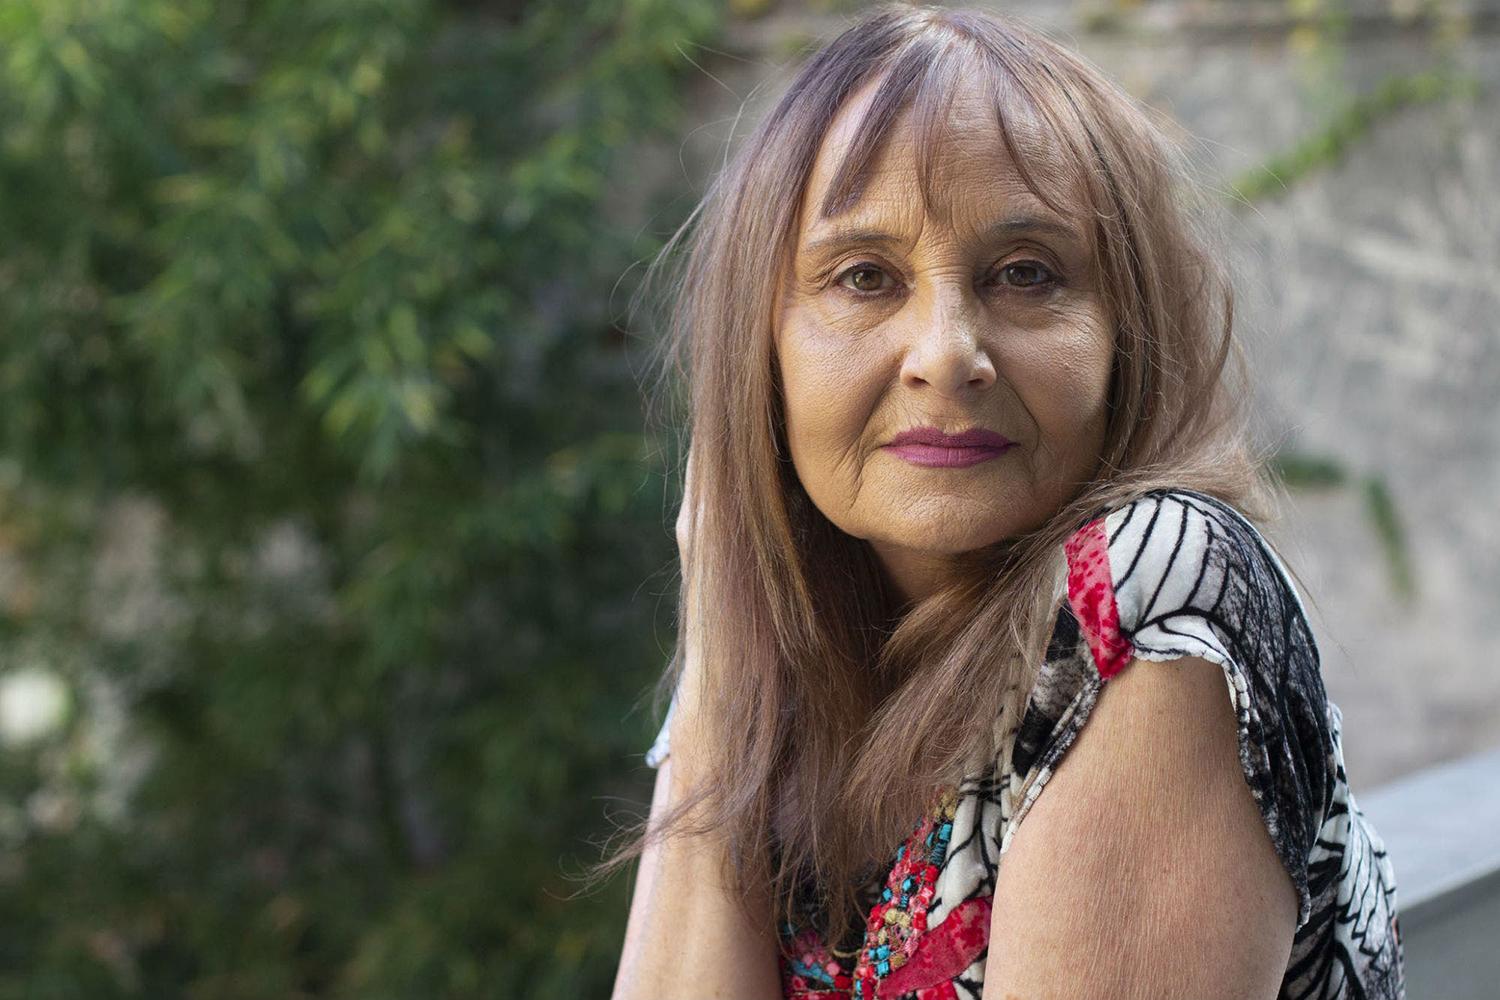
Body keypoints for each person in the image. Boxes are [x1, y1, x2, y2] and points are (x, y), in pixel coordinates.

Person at [604, 5, 1405, 998]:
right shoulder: (785, 648)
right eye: (865, 277)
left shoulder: (1149, 589)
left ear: (1126, 331)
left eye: (1026, 274)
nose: (946, 353)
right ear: (758, 347)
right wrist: (723, 647)